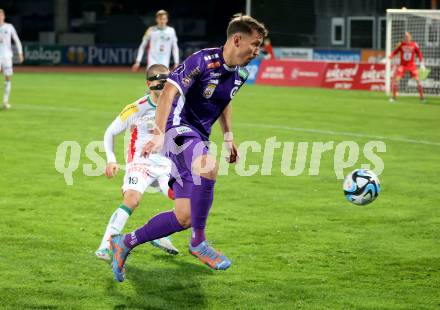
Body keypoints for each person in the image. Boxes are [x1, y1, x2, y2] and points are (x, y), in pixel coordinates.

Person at [109, 14, 268, 282]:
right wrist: (159, 133)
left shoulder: (241, 73)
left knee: (184, 216)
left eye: (259, 46)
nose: (257, 51)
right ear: (236, 39)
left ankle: (124, 242)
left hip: (198, 138)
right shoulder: (202, 60)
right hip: (176, 128)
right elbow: (169, 92)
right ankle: (198, 243)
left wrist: (228, 136)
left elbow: (223, 99)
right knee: (208, 166)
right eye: (254, 44)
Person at [95, 64, 179, 261]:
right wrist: (111, 160)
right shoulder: (136, 107)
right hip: (139, 161)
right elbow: (110, 132)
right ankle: (106, 245)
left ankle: (160, 234)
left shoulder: (175, 105)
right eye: (161, 83)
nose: (166, 87)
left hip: (165, 163)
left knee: (185, 200)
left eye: (169, 83)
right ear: (150, 84)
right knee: (132, 199)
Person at [388, 32, 425, 102]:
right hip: (402, 65)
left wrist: (422, 63)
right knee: (396, 80)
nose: (407, 38)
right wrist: (389, 58)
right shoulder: (401, 44)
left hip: (412, 65)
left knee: (418, 80)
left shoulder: (414, 44)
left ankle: (422, 98)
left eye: (408, 36)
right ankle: (394, 97)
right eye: (406, 37)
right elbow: (395, 52)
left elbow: (419, 53)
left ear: (411, 37)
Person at [0, 8, 23, 109]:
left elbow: (17, 40)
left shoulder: (9, 27)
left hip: (7, 56)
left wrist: (20, 53)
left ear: (4, 16)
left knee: (8, 78)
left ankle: (5, 101)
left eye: (1, 15)